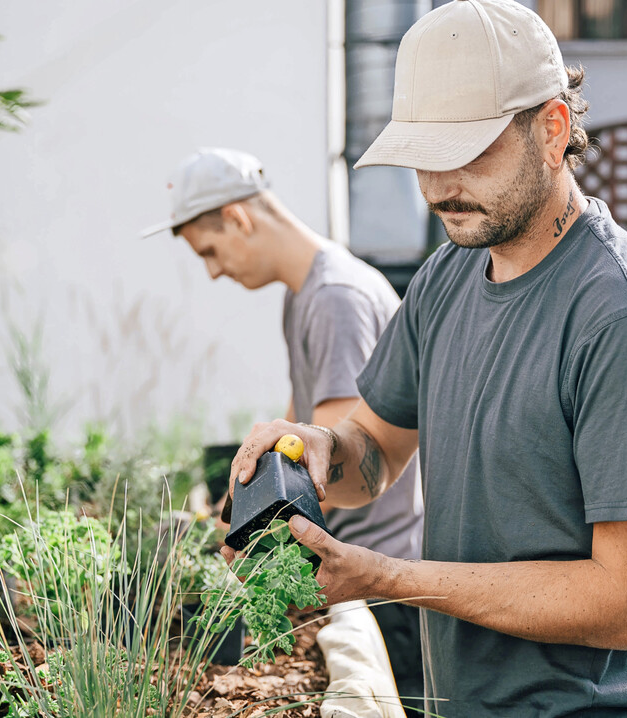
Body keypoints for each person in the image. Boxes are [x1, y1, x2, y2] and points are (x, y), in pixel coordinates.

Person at [225, 1, 627, 716]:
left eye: (468, 151)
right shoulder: (448, 273)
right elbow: (375, 455)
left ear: (552, 129)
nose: (437, 186)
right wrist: (318, 451)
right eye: (423, 155)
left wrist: (385, 576)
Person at [141, 147, 426, 713]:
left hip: (378, 585)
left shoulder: (333, 298)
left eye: (211, 251)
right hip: (358, 577)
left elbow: (323, 476)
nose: (215, 270)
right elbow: (294, 436)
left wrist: (242, 544)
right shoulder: (306, 296)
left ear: (239, 219)